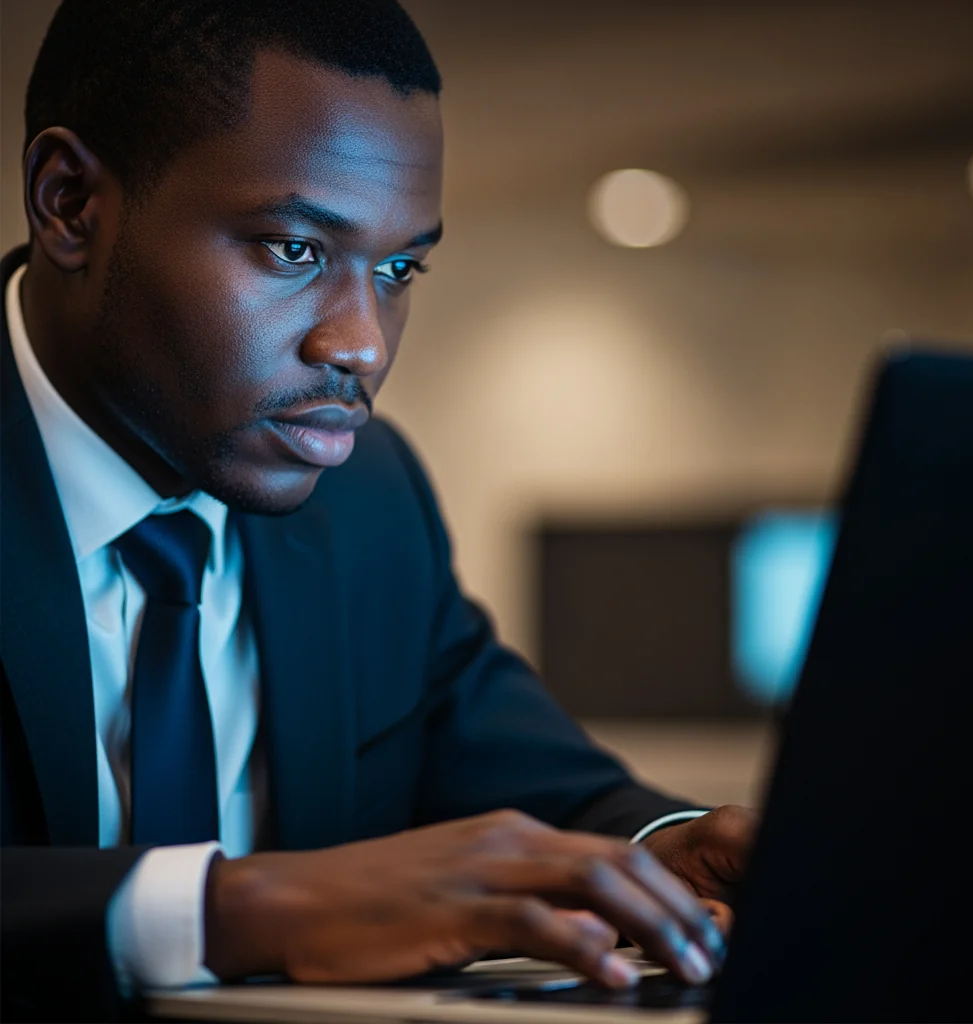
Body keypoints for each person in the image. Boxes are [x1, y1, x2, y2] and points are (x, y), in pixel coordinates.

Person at [0, 1, 757, 1019]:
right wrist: (235, 906)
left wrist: (663, 852)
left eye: (399, 269)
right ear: (71, 204)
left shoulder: (369, 499)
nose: (360, 343)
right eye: (294, 250)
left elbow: (541, 788)